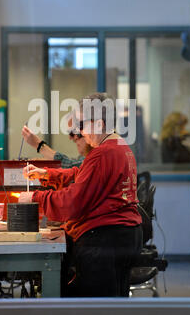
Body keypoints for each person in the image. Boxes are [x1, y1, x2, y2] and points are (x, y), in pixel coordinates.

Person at [19, 93, 142, 298]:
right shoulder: (118, 145)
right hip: (124, 236)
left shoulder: (102, 154)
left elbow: (73, 201)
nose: (81, 133)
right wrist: (47, 174)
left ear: (100, 124)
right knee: (111, 307)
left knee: (95, 313)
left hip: (104, 241)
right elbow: (83, 175)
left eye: (83, 125)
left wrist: (34, 199)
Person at [21, 125, 91, 169]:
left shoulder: (97, 157)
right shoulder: (88, 157)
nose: (71, 137)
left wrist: (38, 145)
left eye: (76, 130)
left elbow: (70, 166)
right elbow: (75, 162)